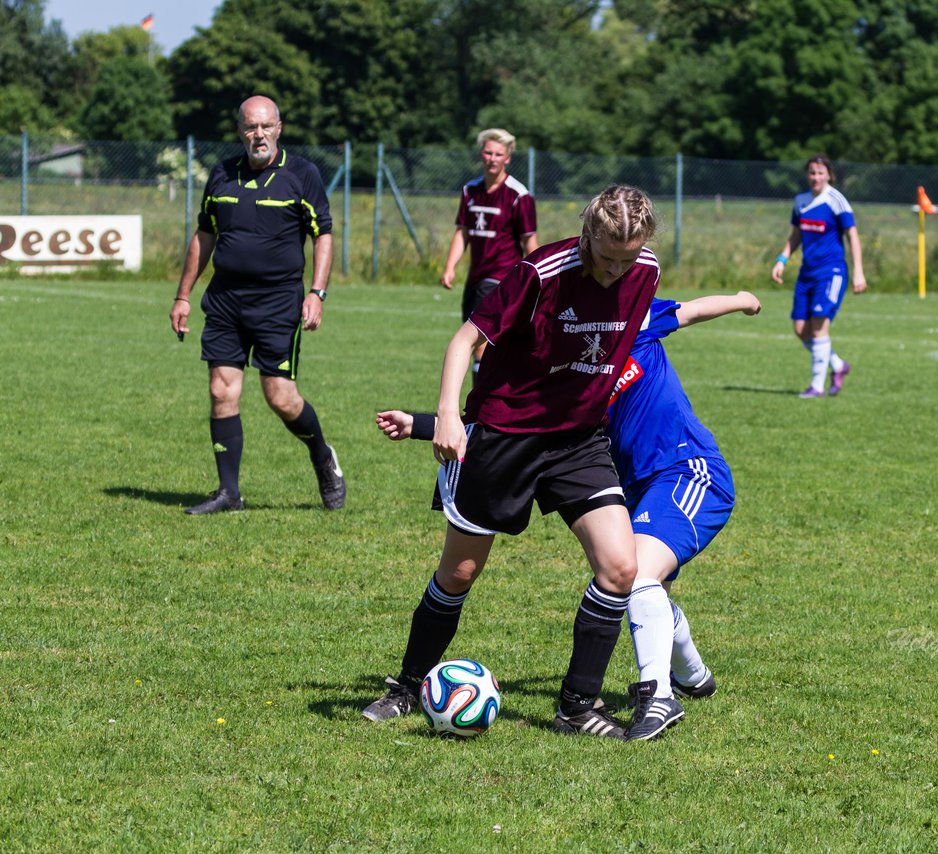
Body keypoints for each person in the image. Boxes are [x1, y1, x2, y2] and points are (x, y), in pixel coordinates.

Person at [362, 185, 661, 740]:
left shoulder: (646, 270)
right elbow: (463, 341)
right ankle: (407, 685)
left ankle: (576, 707)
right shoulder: (541, 272)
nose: (618, 270)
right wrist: (445, 417)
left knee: (620, 567)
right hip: (504, 437)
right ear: (587, 232)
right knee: (459, 573)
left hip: (578, 441)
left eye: (628, 258)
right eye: (607, 256)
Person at [170, 95, 344, 515]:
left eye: (266, 126)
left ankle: (322, 454)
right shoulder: (221, 174)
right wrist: (182, 295)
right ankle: (229, 493)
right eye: (251, 127)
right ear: (240, 131)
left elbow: (322, 235)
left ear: (279, 129)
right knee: (220, 390)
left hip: (278, 303)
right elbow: (204, 236)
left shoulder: (302, 175)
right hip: (226, 301)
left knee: (280, 397)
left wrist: (316, 293)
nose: (258, 135)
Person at [607, 290, 761, 740]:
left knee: (636, 575)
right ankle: (693, 677)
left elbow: (691, 311)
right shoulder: (574, 363)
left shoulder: (633, 317)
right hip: (639, 487)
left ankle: (657, 696)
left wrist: (740, 300)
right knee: (647, 589)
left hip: (689, 470)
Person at [771, 155, 867, 398]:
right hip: (807, 273)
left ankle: (816, 386)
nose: (816, 177)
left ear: (829, 175)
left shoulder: (836, 200)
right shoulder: (801, 201)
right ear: (807, 175)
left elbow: (852, 236)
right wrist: (782, 259)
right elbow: (796, 235)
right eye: (812, 173)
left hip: (831, 271)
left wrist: (858, 271)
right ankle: (838, 365)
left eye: (820, 172)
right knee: (800, 329)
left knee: (819, 325)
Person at [440, 128, 538, 365]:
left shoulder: (518, 195)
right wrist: (450, 267)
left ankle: (480, 403)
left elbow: (529, 242)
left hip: (501, 278)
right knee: (477, 343)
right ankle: (484, 400)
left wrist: (538, 279)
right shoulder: (470, 191)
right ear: (481, 155)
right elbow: (462, 232)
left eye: (498, 154)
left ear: (508, 158)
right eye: (488, 153)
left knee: (480, 344)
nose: (492, 158)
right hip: (475, 279)